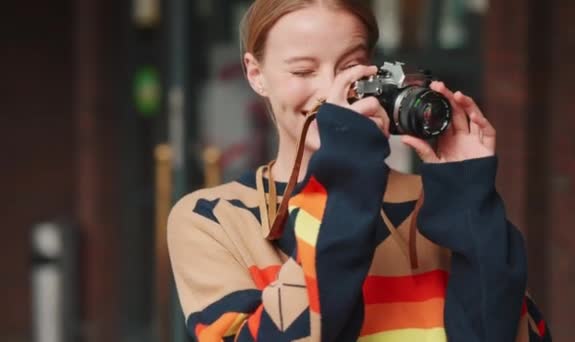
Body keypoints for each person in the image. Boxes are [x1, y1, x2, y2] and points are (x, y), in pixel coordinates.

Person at [167, 0, 551, 341]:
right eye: (302, 71)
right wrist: (346, 181)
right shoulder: (212, 218)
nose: (329, 92)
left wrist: (471, 202)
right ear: (255, 74)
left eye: (350, 68)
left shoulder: (436, 201)